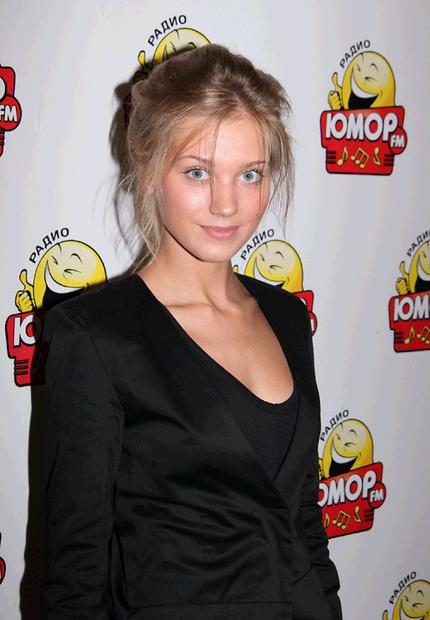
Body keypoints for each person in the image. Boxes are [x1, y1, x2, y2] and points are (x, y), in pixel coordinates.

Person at [41, 43, 342, 620]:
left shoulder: (286, 316)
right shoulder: (97, 337)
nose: (227, 204)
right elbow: (74, 580)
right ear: (149, 167)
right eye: (198, 172)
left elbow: (303, 516)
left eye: (249, 174)